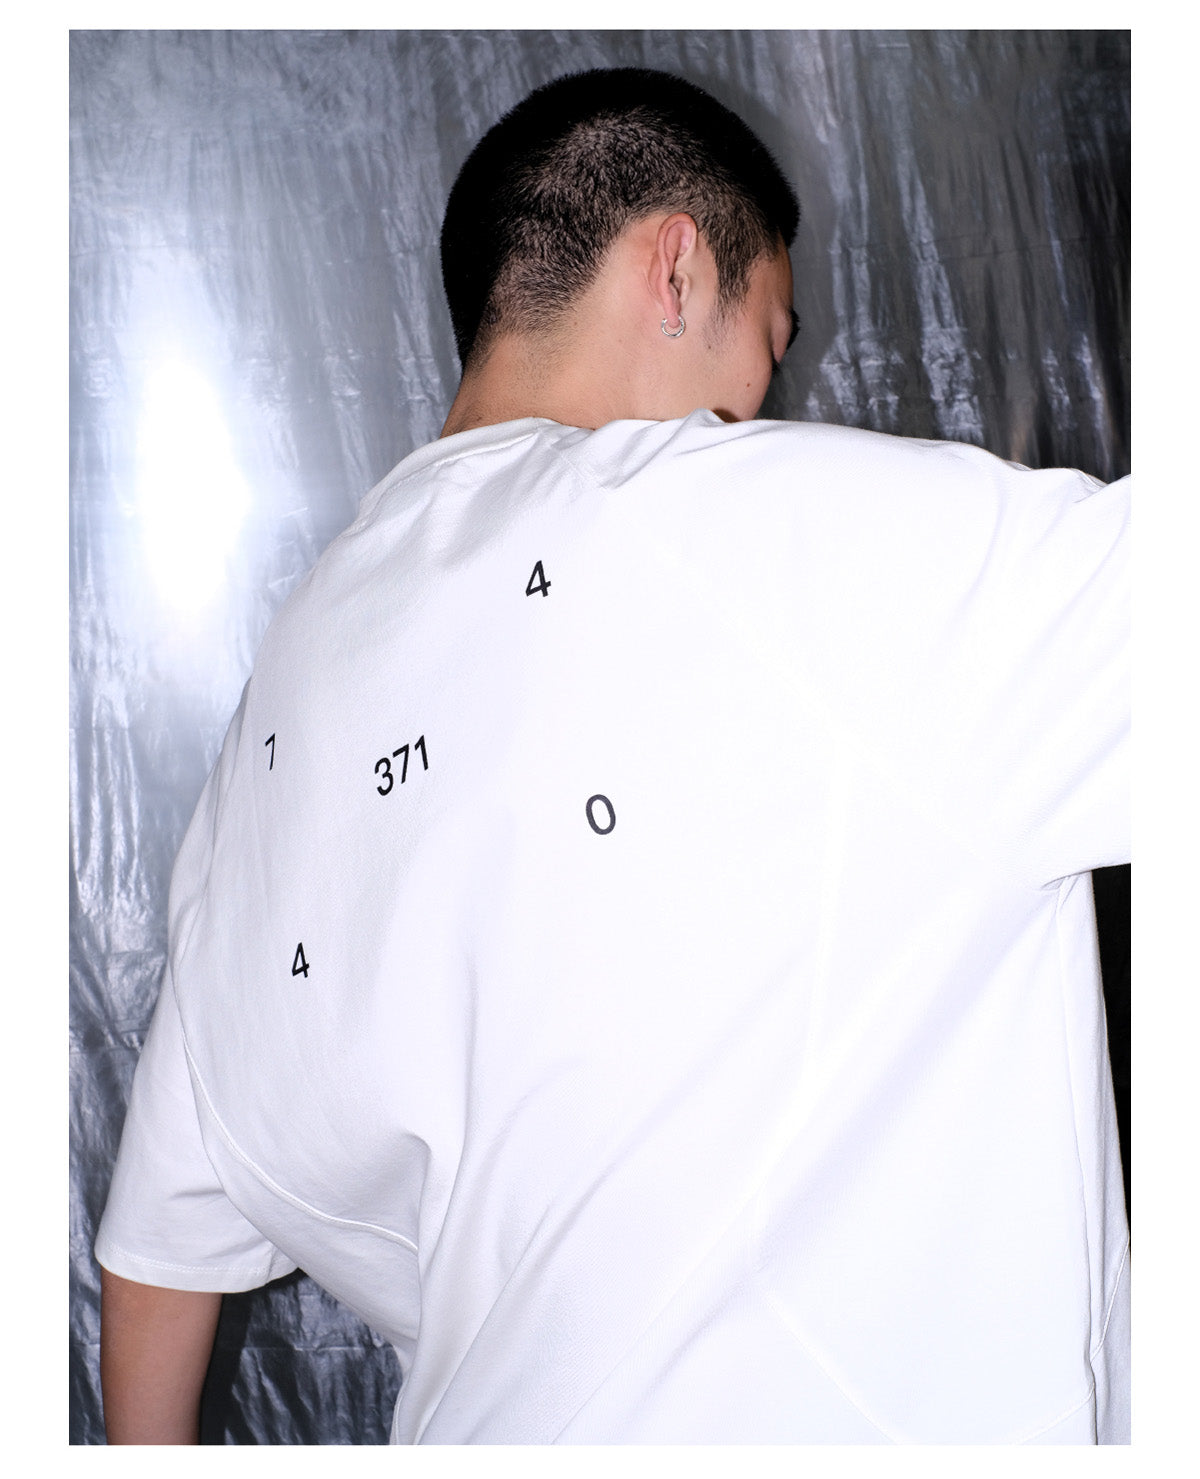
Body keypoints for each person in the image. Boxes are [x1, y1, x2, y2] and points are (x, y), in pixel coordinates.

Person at [95, 67, 1129, 1445]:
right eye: (770, 345)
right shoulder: (785, 541)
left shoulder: (280, 707)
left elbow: (155, 1261)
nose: (759, 411)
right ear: (677, 267)